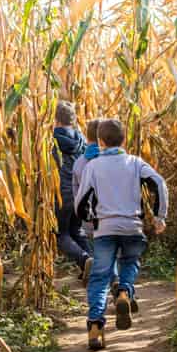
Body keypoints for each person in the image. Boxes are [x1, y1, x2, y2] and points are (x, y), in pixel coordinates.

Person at [75, 118, 168, 350]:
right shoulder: (135, 163)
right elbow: (158, 182)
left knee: (99, 277)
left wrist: (88, 218)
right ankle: (125, 292)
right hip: (132, 226)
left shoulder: (92, 166)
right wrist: (159, 216)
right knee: (130, 261)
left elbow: (82, 201)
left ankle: (95, 326)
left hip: (105, 228)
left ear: (100, 141)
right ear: (123, 140)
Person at [72, 118, 119, 294]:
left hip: (89, 219)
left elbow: (76, 194)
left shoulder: (78, 163)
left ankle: (95, 265)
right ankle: (115, 281)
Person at [52, 101, 93, 282]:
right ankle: (95, 266)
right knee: (77, 231)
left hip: (61, 194)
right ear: (73, 119)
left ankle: (85, 259)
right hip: (80, 192)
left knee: (63, 235)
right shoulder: (82, 140)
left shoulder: (51, 141)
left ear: (55, 119)